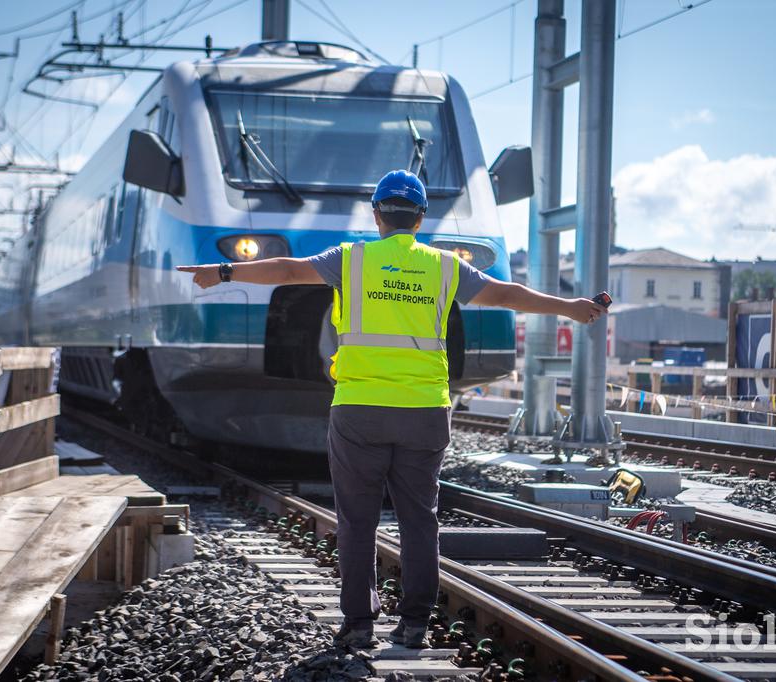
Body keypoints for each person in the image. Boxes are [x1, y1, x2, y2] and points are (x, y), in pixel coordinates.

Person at [177, 170, 605, 649]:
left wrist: (224, 272)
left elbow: (287, 271)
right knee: (419, 519)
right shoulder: (444, 267)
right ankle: (416, 623)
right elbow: (507, 294)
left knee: (357, 520)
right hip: (424, 411)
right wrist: (569, 307)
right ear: (420, 217)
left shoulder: (352, 260)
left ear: (376, 213)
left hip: (359, 409)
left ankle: (358, 624)